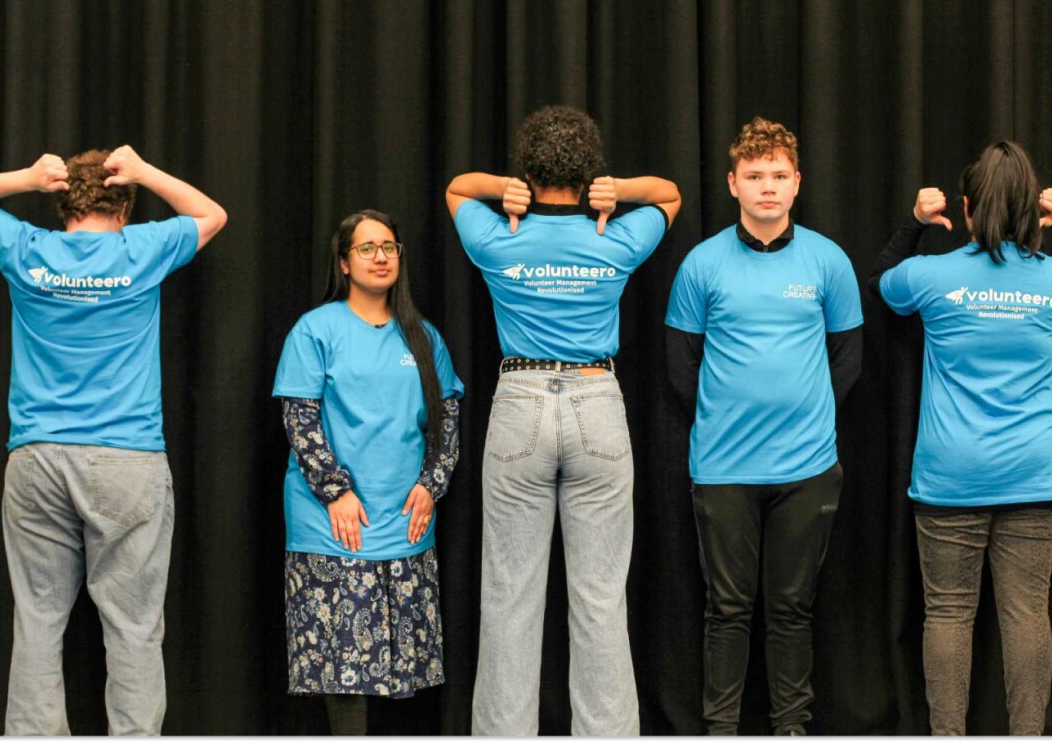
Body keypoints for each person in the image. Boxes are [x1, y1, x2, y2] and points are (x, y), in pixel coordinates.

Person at [0, 146, 228, 734]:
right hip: (128, 459)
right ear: (123, 209)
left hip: (37, 458)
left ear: (63, 205)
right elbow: (212, 215)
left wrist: (26, 178)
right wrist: (145, 171)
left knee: (38, 621)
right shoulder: (141, 248)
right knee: (133, 627)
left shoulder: (28, 248)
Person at [446, 104, 681, 736]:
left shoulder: (498, 237)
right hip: (596, 401)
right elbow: (669, 194)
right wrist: (618, 191)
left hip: (519, 400)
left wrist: (501, 188)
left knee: (509, 597)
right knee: (600, 598)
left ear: (527, 171)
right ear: (589, 173)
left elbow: (457, 188)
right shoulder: (615, 238)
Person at [869, 141, 1052, 735]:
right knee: (1027, 614)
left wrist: (914, 224)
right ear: (1033, 210)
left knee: (949, 613)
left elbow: (879, 282)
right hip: (1037, 472)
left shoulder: (930, 275)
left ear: (967, 207)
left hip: (952, 472)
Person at [664, 116, 863, 736]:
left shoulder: (828, 260)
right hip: (723, 467)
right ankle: (721, 730)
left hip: (808, 468)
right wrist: (728, 418)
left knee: (791, 609)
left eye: (778, 175)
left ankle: (791, 729)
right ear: (733, 184)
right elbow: (681, 365)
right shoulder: (701, 264)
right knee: (727, 610)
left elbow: (848, 359)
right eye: (754, 176)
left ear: (798, 182)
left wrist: (804, 416)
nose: (767, 186)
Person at [273, 210, 464, 736]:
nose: (381, 257)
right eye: (366, 248)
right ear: (343, 262)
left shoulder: (423, 337)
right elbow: (300, 419)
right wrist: (335, 491)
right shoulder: (316, 329)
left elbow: (447, 417)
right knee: (343, 668)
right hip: (332, 523)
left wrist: (432, 485)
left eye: (389, 247)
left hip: (403, 523)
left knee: (397, 667)